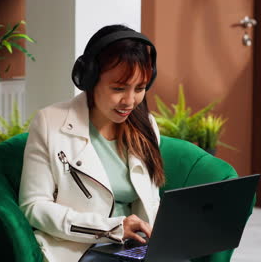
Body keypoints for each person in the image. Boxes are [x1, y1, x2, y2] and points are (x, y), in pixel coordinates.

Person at [19, 24, 164, 262]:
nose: (130, 101)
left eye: (140, 88)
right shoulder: (49, 123)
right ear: (89, 79)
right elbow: (34, 206)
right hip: (80, 248)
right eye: (118, 88)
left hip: (137, 246)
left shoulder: (145, 125)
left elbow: (152, 200)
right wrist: (111, 228)